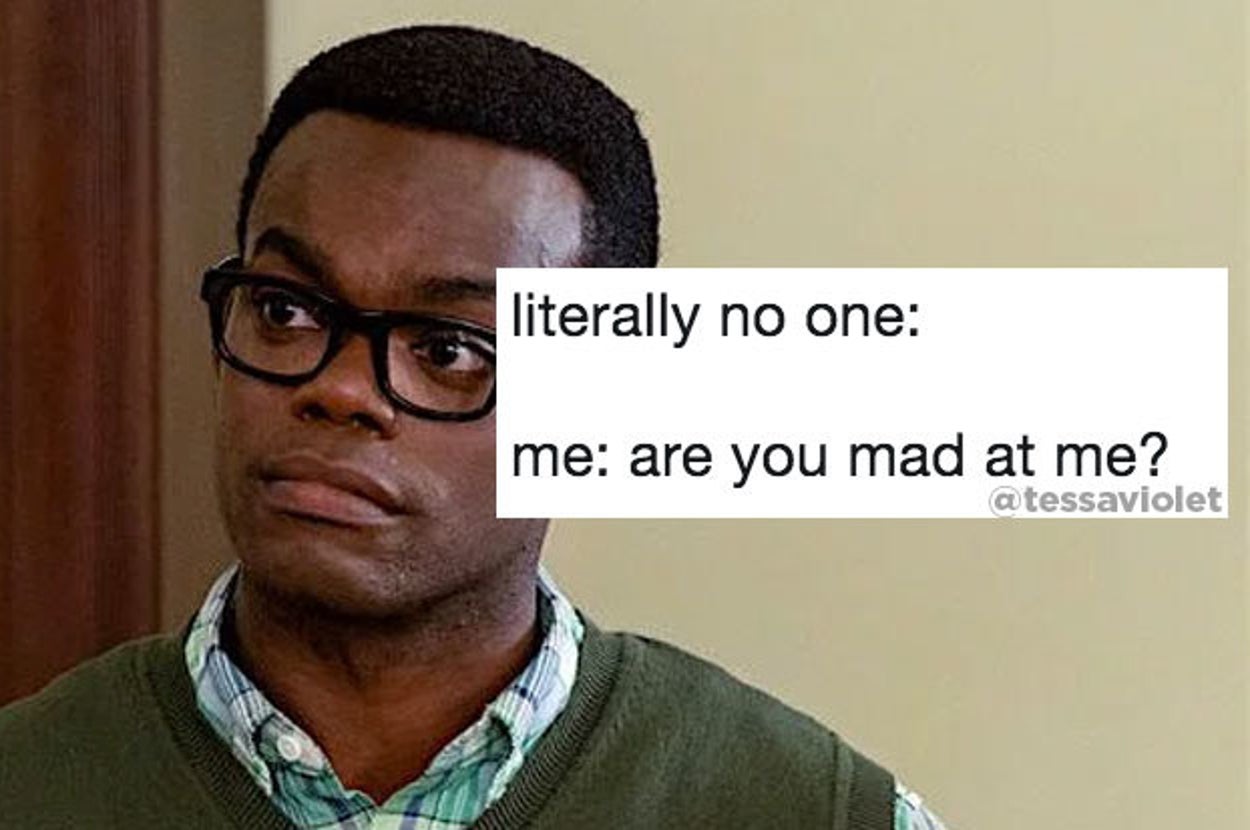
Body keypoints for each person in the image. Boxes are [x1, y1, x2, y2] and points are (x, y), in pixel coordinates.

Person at [0, 25, 946, 829]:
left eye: (450, 349)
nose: (341, 388)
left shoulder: (805, 810)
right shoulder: (33, 782)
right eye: (287, 309)